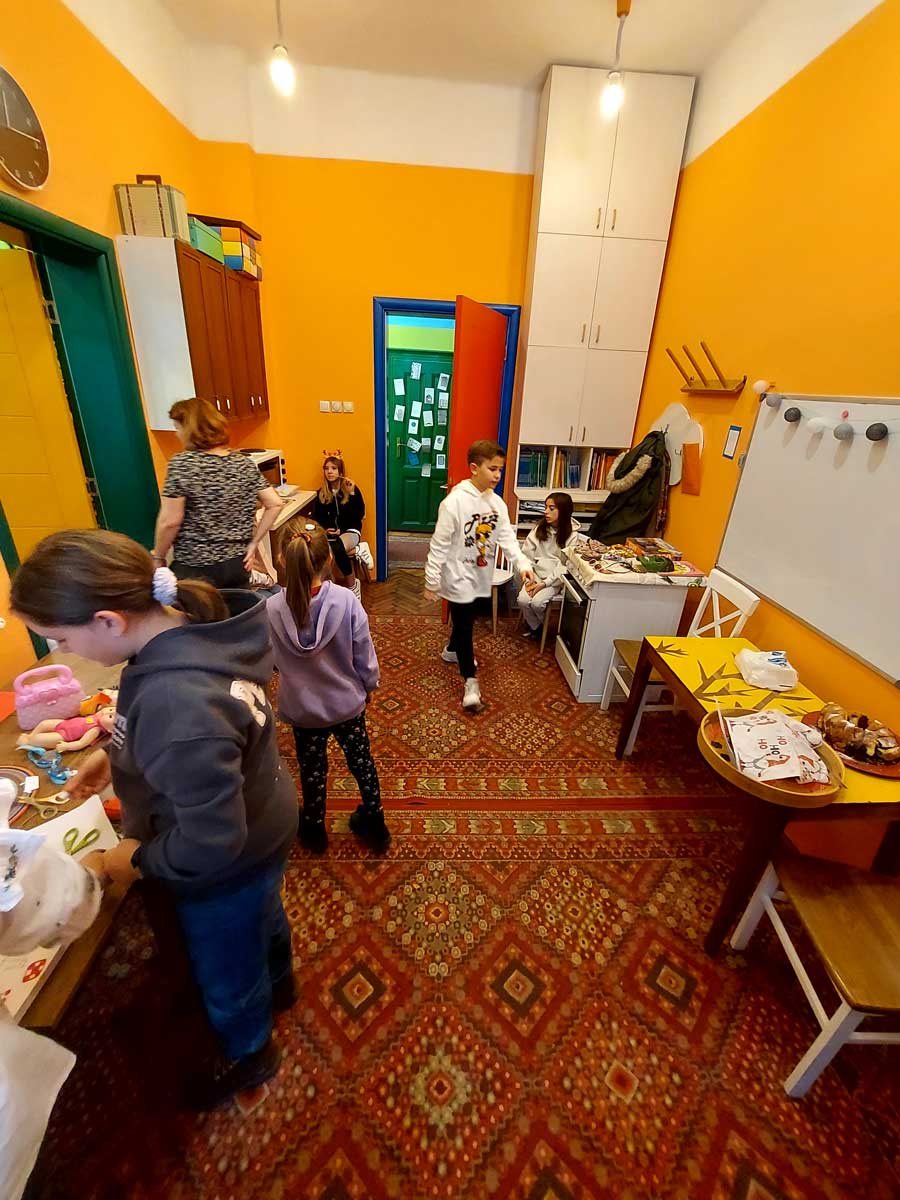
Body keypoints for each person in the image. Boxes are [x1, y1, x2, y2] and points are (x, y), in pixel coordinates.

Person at [10, 530, 298, 1111]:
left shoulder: (176, 699)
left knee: (227, 967)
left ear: (108, 621)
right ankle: (281, 981)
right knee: (263, 916)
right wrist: (120, 754)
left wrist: (135, 858)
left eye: (61, 639)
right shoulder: (185, 631)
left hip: (227, 862)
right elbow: (194, 738)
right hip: (266, 815)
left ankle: (250, 1050)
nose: (64, 650)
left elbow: (211, 841)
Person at [266, 517, 389, 853]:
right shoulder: (347, 601)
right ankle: (375, 823)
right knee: (361, 762)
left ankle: (314, 828)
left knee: (312, 769)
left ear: (282, 560)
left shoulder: (271, 609)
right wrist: (369, 687)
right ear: (330, 558)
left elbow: (272, 661)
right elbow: (364, 655)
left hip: (303, 710)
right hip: (347, 705)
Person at [424, 440, 534, 712]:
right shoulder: (454, 503)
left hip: (480, 574)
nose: (498, 475)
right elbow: (439, 544)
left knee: (467, 619)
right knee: (465, 626)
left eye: (500, 470)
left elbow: (507, 538)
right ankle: (470, 684)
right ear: (474, 468)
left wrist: (522, 564)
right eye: (492, 469)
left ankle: (452, 650)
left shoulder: (497, 504)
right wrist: (432, 579)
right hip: (457, 575)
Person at [153, 397, 283, 588]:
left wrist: (158, 557)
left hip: (196, 567)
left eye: (178, 427)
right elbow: (275, 503)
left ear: (190, 429)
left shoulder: (183, 465)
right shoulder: (243, 463)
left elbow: (170, 522)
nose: (177, 434)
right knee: (237, 607)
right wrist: (254, 543)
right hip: (237, 565)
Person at [517, 492, 581, 639]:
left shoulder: (572, 535)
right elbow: (526, 555)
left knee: (537, 603)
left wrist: (544, 584)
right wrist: (530, 578)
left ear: (563, 511)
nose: (546, 511)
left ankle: (534, 626)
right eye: (546, 507)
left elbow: (565, 566)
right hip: (535, 575)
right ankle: (537, 627)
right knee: (523, 600)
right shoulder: (539, 528)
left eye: (551, 508)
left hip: (554, 580)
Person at [311, 453, 366, 591]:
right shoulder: (321, 493)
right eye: (326, 468)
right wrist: (325, 530)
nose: (329, 471)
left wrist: (352, 494)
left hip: (350, 531)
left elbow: (359, 515)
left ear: (340, 472)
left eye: (334, 468)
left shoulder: (351, 489)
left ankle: (352, 585)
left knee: (336, 547)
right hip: (330, 535)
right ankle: (324, 588)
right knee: (322, 552)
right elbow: (318, 519)